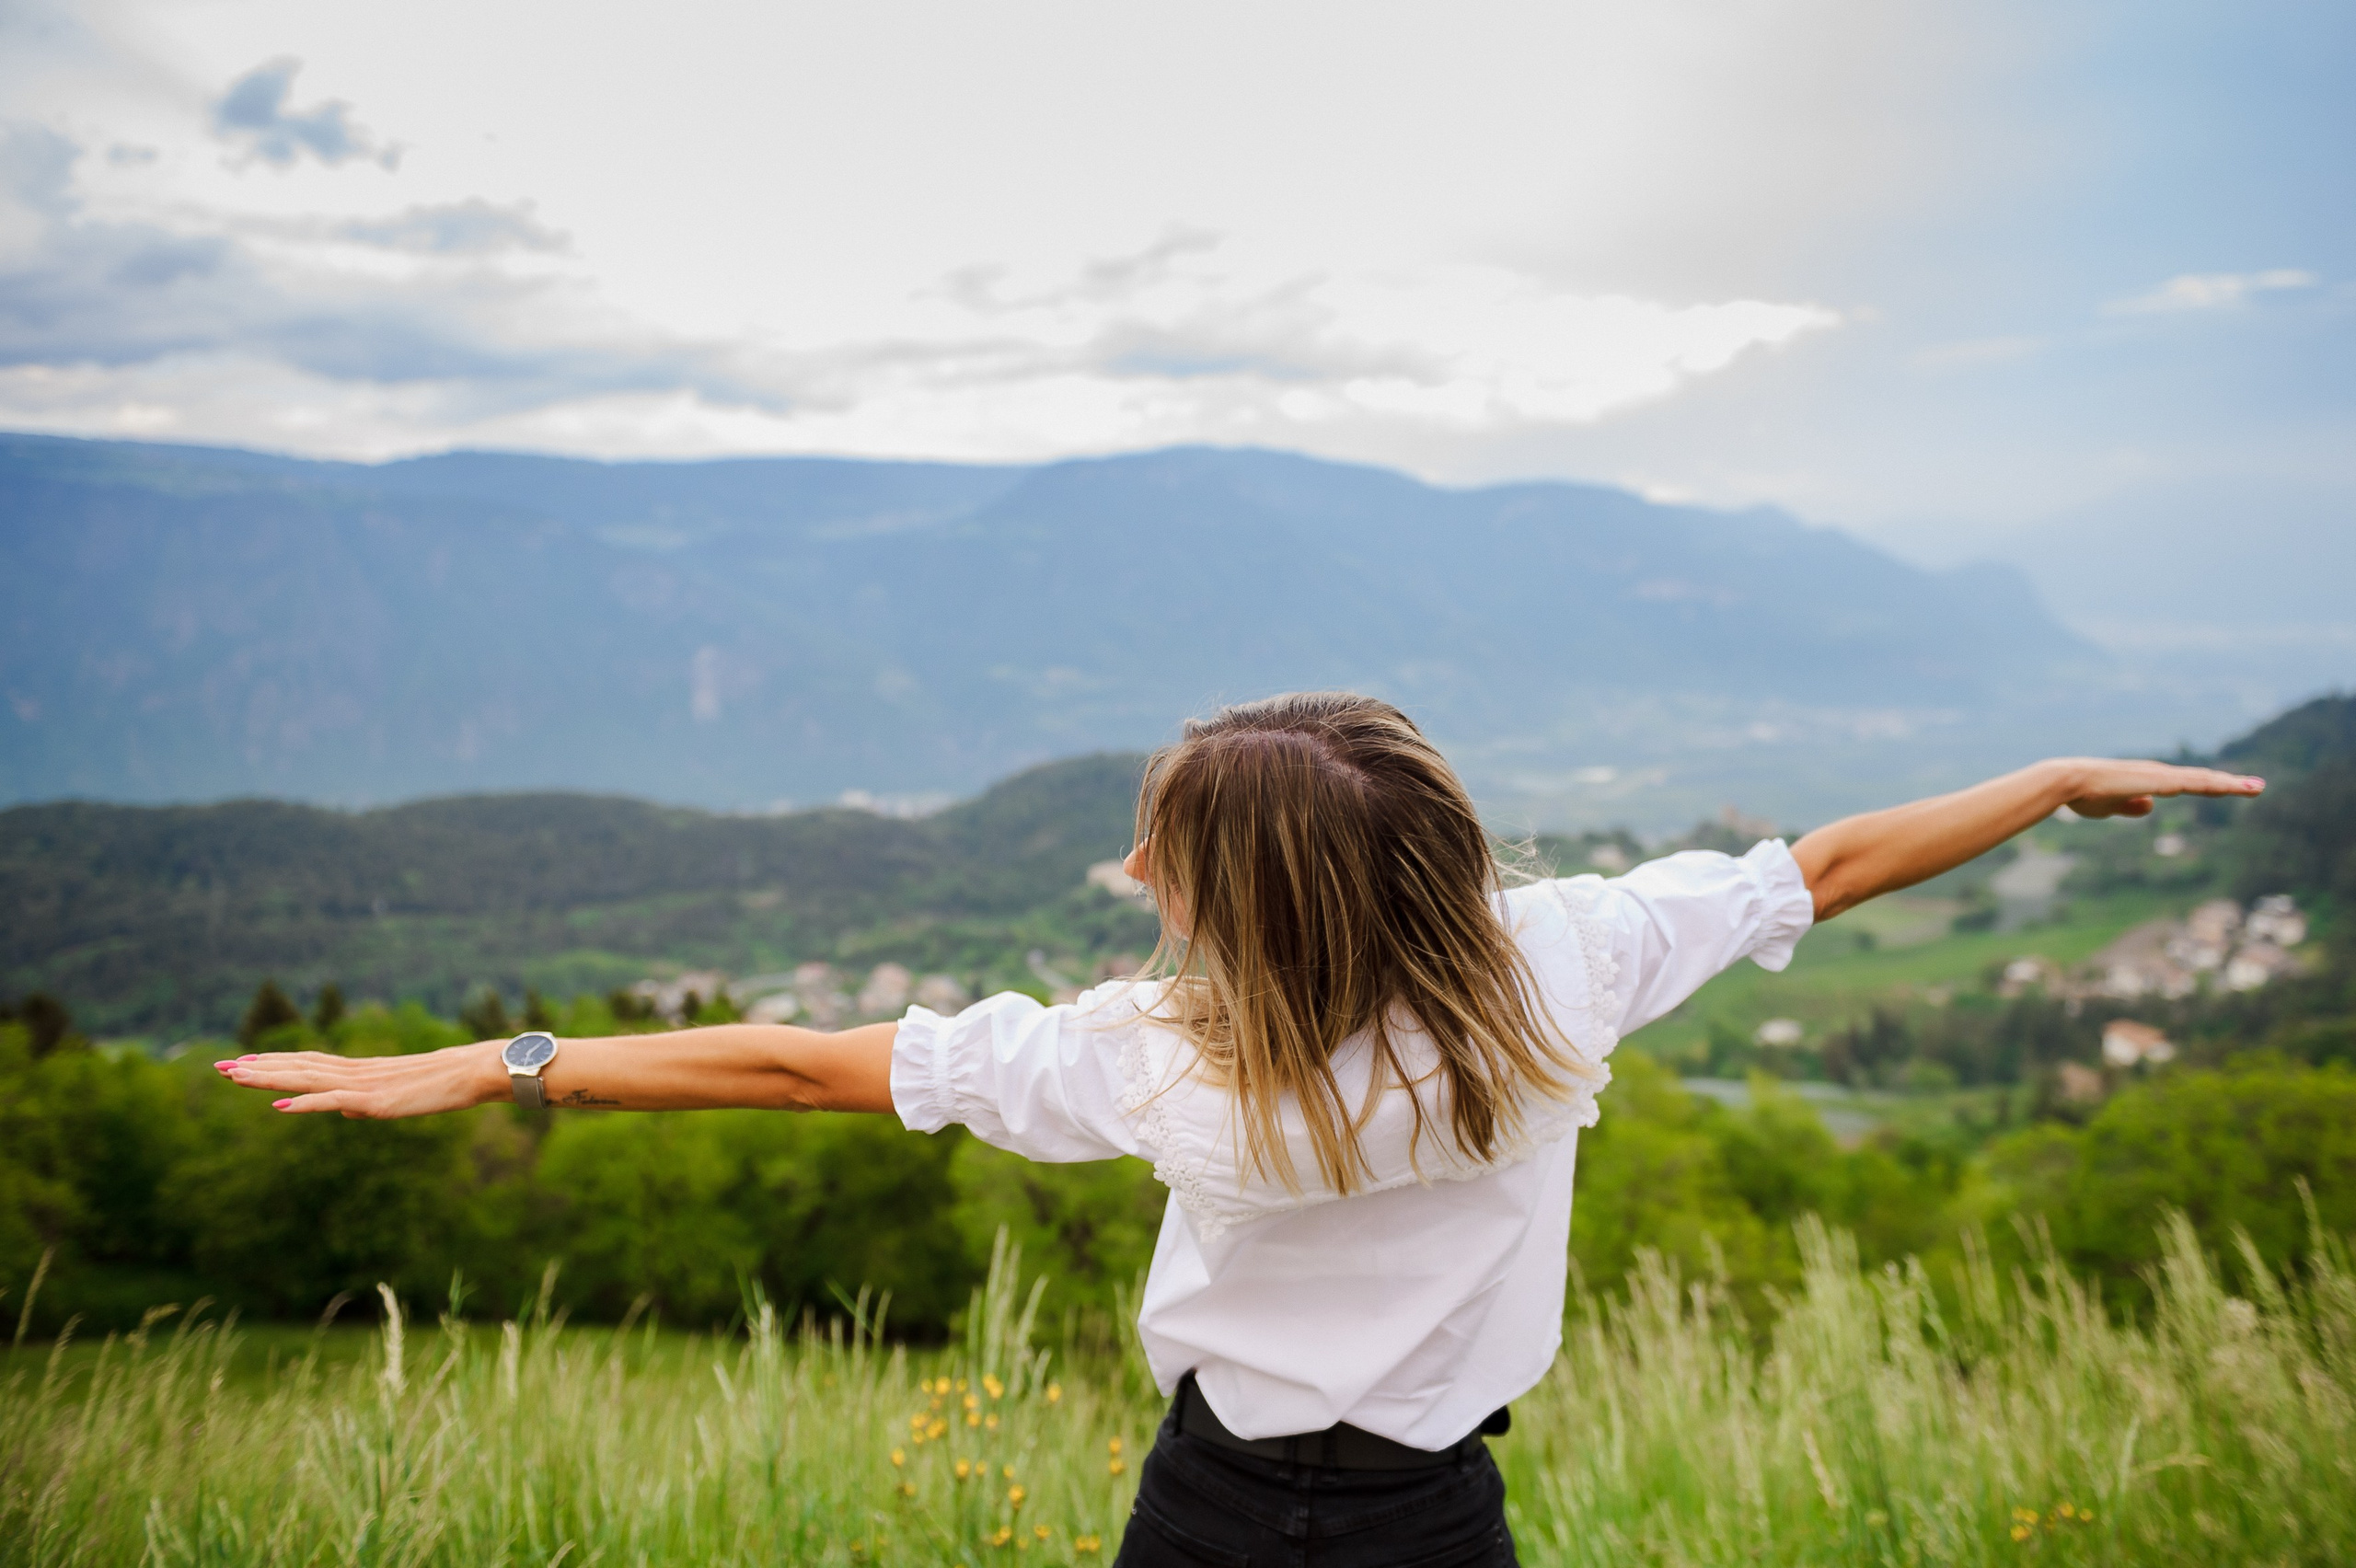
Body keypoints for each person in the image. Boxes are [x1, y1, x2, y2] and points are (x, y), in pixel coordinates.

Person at [218, 692, 2265, 1566]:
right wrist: (2039, 781)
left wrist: (500, 1066)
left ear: (1226, 901)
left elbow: (785, 1064)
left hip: (1205, 1509)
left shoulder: (1147, 1063)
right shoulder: (1559, 964)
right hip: (1428, 1519)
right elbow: (1821, 866)